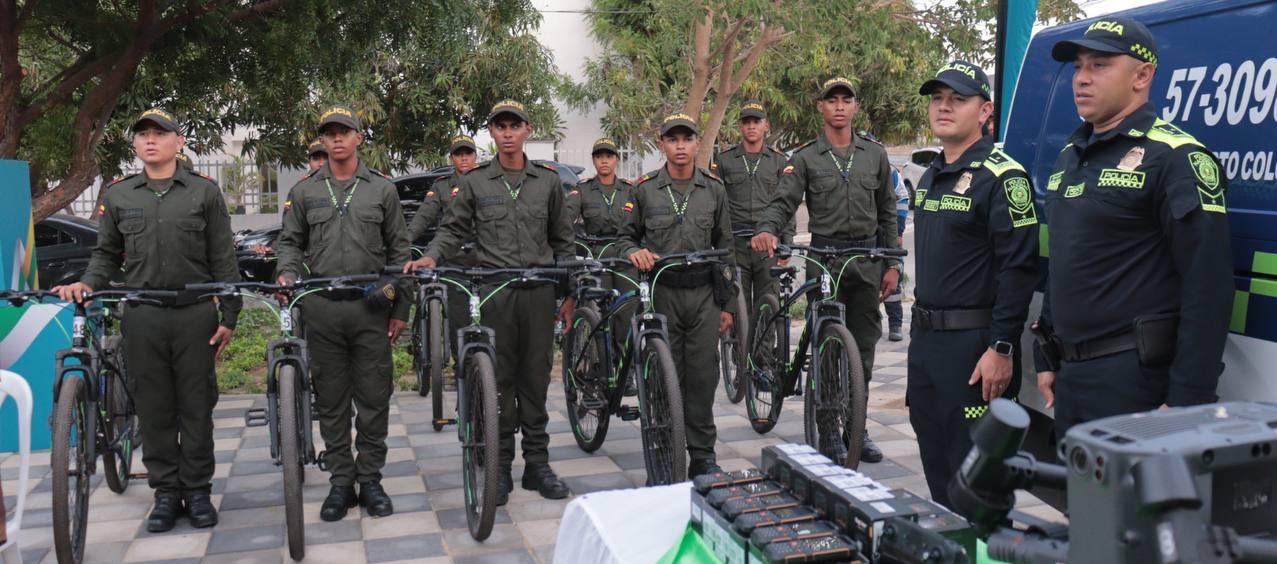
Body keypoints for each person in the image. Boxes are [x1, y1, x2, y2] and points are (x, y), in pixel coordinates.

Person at [1035, 18, 1232, 439]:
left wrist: (1186, 400)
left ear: (1143, 75)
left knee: (1133, 507)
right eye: (1078, 67)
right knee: (1080, 503)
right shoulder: (1071, 156)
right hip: (1073, 377)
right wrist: (1047, 355)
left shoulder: (1177, 158)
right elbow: (1065, 261)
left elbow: (1209, 287)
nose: (1082, 79)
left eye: (1100, 65)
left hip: (1135, 385)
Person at [53, 108, 241, 532]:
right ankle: (166, 493)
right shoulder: (120, 196)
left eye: (160, 133)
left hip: (194, 314)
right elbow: (105, 255)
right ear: (135, 145)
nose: (150, 141)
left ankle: (196, 492)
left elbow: (223, 258)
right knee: (154, 410)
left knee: (195, 408)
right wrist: (86, 283)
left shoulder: (203, 193)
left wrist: (229, 314)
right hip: (143, 316)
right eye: (143, 135)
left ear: (180, 141)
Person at [405, 101, 575, 504]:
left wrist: (568, 293)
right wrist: (431, 255)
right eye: (500, 126)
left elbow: (563, 242)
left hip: (537, 292)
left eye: (515, 125)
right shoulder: (477, 182)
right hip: (496, 293)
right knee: (498, 383)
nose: (508, 132)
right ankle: (499, 467)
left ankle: (537, 465)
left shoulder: (547, 182)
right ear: (493, 134)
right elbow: (452, 229)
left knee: (534, 381)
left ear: (527, 130)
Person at [906, 61, 1039, 507]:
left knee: (977, 481)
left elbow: (1019, 270)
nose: (944, 107)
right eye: (937, 98)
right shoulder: (930, 175)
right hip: (926, 345)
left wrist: (1002, 348)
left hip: (974, 351)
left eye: (958, 99)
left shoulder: (1002, 177)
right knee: (937, 467)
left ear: (985, 112)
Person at [751, 77, 901, 464]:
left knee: (863, 350)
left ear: (855, 107)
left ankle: (857, 427)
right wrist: (767, 228)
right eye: (831, 100)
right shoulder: (804, 158)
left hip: (866, 260)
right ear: (820, 107)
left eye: (845, 100)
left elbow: (887, 211)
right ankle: (829, 425)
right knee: (828, 348)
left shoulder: (874, 154)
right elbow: (782, 202)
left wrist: (893, 264)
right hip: (825, 259)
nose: (838, 106)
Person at [274, 105, 411, 521]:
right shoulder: (305, 192)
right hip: (323, 309)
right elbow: (290, 242)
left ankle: (370, 480)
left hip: (370, 308)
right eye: (329, 133)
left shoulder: (381, 190)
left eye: (343, 131)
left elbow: (400, 253)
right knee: (331, 401)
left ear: (358, 138)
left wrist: (398, 305)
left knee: (373, 398)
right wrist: (285, 272)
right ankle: (340, 482)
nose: (335, 138)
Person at [613, 113, 736, 479]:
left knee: (702, 376)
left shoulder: (713, 188)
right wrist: (633, 252)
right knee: (662, 378)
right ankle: (663, 447)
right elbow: (624, 238)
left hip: (702, 296)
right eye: (672, 139)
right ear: (662, 144)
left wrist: (728, 304)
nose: (680, 146)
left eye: (686, 139)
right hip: (662, 294)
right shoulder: (644, 189)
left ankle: (702, 455)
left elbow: (726, 248)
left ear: (697, 143)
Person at [711, 101, 792, 334]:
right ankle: (741, 362)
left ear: (766, 126)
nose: (751, 127)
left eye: (756, 122)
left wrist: (785, 243)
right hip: (735, 243)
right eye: (746, 122)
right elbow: (717, 205)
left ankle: (764, 359)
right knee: (738, 306)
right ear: (740, 127)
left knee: (768, 303)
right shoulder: (725, 161)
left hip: (767, 244)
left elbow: (786, 203)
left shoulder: (778, 160)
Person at [407, 134, 480, 387]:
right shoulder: (441, 186)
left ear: (475, 157)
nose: (464, 158)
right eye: (459, 154)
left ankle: (486, 360)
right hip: (454, 256)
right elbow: (424, 216)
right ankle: (462, 364)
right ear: (452, 158)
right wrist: (404, 241)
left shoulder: (486, 181)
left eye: (468, 153)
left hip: (485, 255)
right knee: (458, 311)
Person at [565, 138, 638, 357]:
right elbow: (566, 218)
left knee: (626, 311)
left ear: (616, 159)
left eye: (608, 156)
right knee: (599, 311)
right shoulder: (583, 189)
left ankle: (623, 366)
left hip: (625, 254)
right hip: (597, 255)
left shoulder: (629, 190)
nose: (604, 161)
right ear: (594, 161)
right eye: (599, 157)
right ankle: (600, 364)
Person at [884, 167, 908, 342]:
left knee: (893, 274)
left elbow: (902, 198)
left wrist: (898, 230)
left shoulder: (888, 169)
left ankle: (895, 323)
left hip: (887, 232)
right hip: (861, 232)